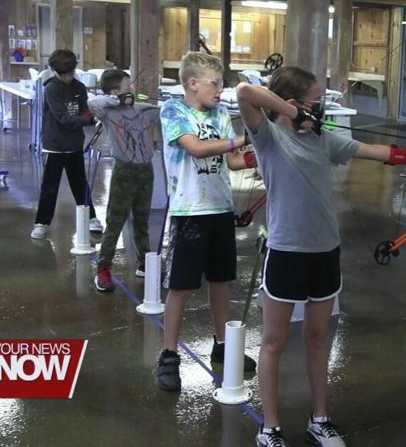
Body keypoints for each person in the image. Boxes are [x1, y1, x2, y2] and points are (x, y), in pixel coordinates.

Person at [236, 66, 406, 447]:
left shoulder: (322, 140)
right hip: (286, 252)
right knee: (273, 343)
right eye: (316, 103)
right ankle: (270, 427)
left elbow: (374, 151)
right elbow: (245, 92)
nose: (322, 111)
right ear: (294, 103)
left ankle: (321, 419)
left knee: (319, 339)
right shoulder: (268, 137)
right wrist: (294, 113)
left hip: (325, 254)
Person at [157, 51, 257, 392]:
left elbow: (232, 161)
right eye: (214, 83)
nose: (219, 89)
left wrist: (267, 151)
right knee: (181, 287)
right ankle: (169, 353)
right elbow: (196, 148)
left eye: (221, 83)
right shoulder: (173, 110)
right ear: (191, 83)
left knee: (221, 282)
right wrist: (246, 137)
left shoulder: (222, 112)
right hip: (189, 212)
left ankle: (222, 343)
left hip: (219, 209)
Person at [87, 70, 161, 292]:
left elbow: (165, 110)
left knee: (142, 220)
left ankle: (144, 263)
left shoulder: (142, 109)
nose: (132, 90)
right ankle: (104, 268)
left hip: (145, 170)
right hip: (124, 171)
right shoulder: (108, 112)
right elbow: (91, 103)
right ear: (115, 92)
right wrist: (115, 100)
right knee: (115, 221)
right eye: (127, 87)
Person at [31, 49, 103, 240]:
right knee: (50, 186)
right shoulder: (51, 89)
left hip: (74, 143)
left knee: (80, 184)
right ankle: (42, 222)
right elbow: (63, 118)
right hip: (54, 144)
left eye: (70, 73)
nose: (68, 77)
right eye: (63, 74)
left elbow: (85, 110)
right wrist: (89, 121)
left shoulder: (79, 87)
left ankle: (91, 218)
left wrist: (94, 115)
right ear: (55, 72)